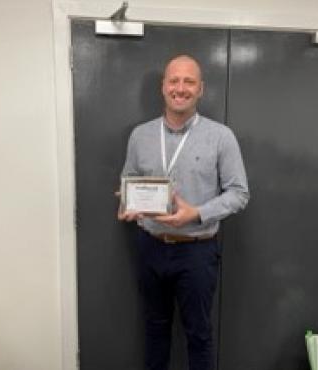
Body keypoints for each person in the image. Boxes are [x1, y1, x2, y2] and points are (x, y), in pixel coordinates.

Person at [118, 54, 249, 370]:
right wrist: (127, 203)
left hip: (197, 252)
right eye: (174, 80)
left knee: (200, 335)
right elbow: (128, 182)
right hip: (150, 247)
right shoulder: (140, 135)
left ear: (201, 88)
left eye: (189, 81)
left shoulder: (221, 136)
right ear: (163, 87)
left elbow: (239, 194)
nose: (180, 88)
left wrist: (197, 213)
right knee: (155, 330)